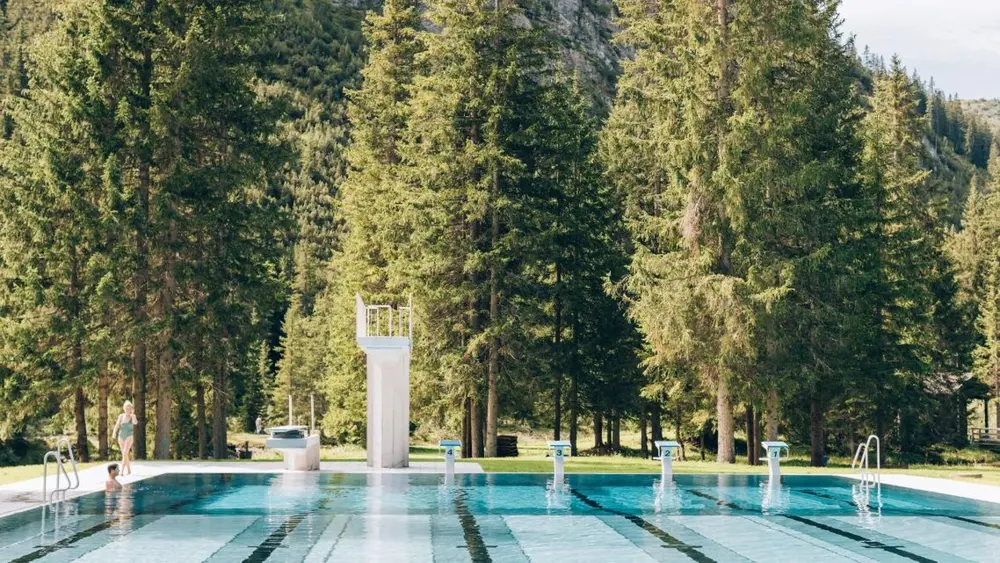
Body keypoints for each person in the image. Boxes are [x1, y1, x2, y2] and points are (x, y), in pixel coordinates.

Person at [111, 401, 137, 476]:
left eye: (129, 408)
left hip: (129, 436)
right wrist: (114, 433)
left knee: (125, 453)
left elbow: (135, 423)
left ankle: (121, 471)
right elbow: (117, 425)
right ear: (124, 408)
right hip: (121, 436)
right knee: (124, 454)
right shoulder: (121, 416)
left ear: (131, 409)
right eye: (126, 408)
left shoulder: (132, 416)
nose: (128, 410)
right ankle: (129, 470)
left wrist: (133, 415)